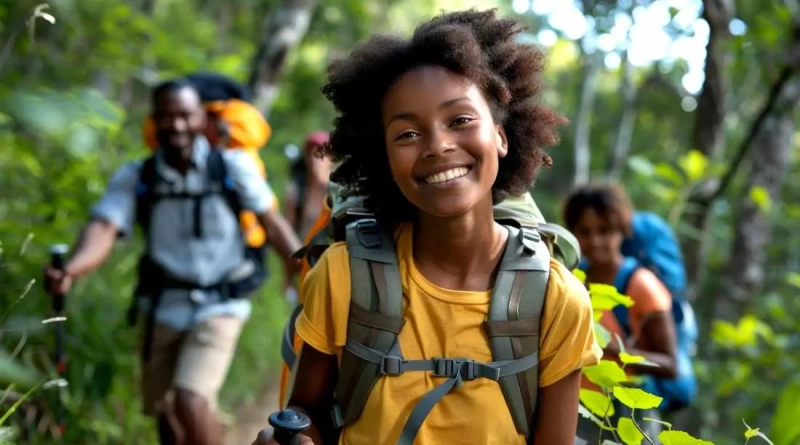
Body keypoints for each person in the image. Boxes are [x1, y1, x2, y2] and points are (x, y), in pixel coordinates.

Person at [256, 9, 601, 445]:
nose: (438, 145)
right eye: (407, 134)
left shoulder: (555, 300)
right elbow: (308, 413)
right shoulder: (344, 275)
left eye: (460, 120)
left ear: (501, 135)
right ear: (383, 156)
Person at [44, 79, 303, 445]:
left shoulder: (232, 166)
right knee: (165, 411)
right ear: (154, 122)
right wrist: (72, 268)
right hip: (161, 306)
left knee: (190, 398)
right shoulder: (138, 176)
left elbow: (272, 223)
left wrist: (304, 268)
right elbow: (104, 227)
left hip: (221, 304)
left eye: (185, 116)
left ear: (201, 119)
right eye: (166, 117)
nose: (176, 125)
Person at [562, 182, 678, 442]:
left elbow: (670, 365)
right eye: (585, 231)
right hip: (578, 406)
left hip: (630, 411)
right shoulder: (572, 280)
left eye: (605, 231)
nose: (595, 241)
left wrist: (618, 352)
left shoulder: (642, 286)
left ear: (621, 231)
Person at [284, 131, 334, 240]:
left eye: (320, 154)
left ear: (331, 158)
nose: (314, 160)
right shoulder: (297, 191)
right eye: (310, 153)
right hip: (303, 253)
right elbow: (287, 233)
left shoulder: (341, 193)